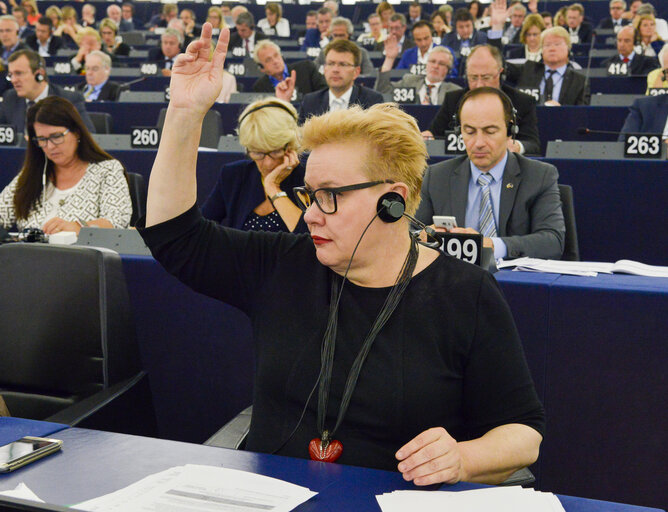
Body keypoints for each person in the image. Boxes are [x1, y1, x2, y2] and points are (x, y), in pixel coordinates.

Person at [140, 24, 545, 481]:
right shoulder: (281, 265)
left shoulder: (465, 293)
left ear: (392, 200)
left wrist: (463, 459)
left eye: (331, 195)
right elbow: (174, 236)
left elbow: (523, 432)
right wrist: (184, 112)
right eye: (310, 195)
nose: (311, 214)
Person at [417, 87, 565, 260]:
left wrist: (492, 245)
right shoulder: (436, 176)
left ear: (510, 132)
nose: (479, 142)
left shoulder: (540, 176)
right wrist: (423, 236)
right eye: (470, 132)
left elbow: (552, 242)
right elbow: (410, 233)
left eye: (490, 131)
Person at [0, 96, 131, 233]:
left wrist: (79, 228)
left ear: (76, 132)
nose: (50, 146)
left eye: (56, 136)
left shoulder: (107, 170)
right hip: (29, 254)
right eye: (42, 139)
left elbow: (117, 222)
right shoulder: (32, 174)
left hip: (83, 254)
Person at [202, 98, 306, 233]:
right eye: (257, 153)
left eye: (275, 151)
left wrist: (273, 188)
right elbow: (201, 229)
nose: (268, 163)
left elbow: (310, 239)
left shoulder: (307, 178)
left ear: (290, 144)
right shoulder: (234, 175)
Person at [424, 45, 541, 156]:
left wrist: (517, 146)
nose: (479, 85)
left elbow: (533, 144)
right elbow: (434, 135)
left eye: (486, 77)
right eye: (473, 78)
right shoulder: (453, 100)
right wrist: (427, 137)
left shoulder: (522, 101)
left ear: (500, 73)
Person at [0, 50, 95, 133]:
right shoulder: (10, 98)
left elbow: (88, 135)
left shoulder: (68, 100)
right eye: (11, 75)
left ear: (40, 74)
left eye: (19, 73)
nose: (13, 80)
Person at [295, 39, 383, 123]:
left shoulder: (372, 102)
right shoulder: (310, 102)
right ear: (324, 68)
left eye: (343, 64)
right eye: (331, 64)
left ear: (356, 72)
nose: (335, 70)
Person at [505, 26, 590, 105]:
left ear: (568, 48)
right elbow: (498, 65)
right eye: (547, 45)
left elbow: (582, 114)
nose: (552, 48)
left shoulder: (580, 81)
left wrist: (562, 112)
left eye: (557, 44)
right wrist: (497, 28)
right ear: (542, 50)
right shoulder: (527, 70)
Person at [375, 45, 461, 105]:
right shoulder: (409, 81)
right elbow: (383, 90)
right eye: (432, 61)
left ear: (448, 69)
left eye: (441, 63)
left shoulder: (454, 91)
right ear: (426, 64)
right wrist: (389, 59)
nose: (435, 66)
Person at [252, 39, 326, 99]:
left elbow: (325, 93)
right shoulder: (260, 87)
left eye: (276, 55)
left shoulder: (306, 68)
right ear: (262, 68)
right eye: (268, 60)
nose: (275, 61)